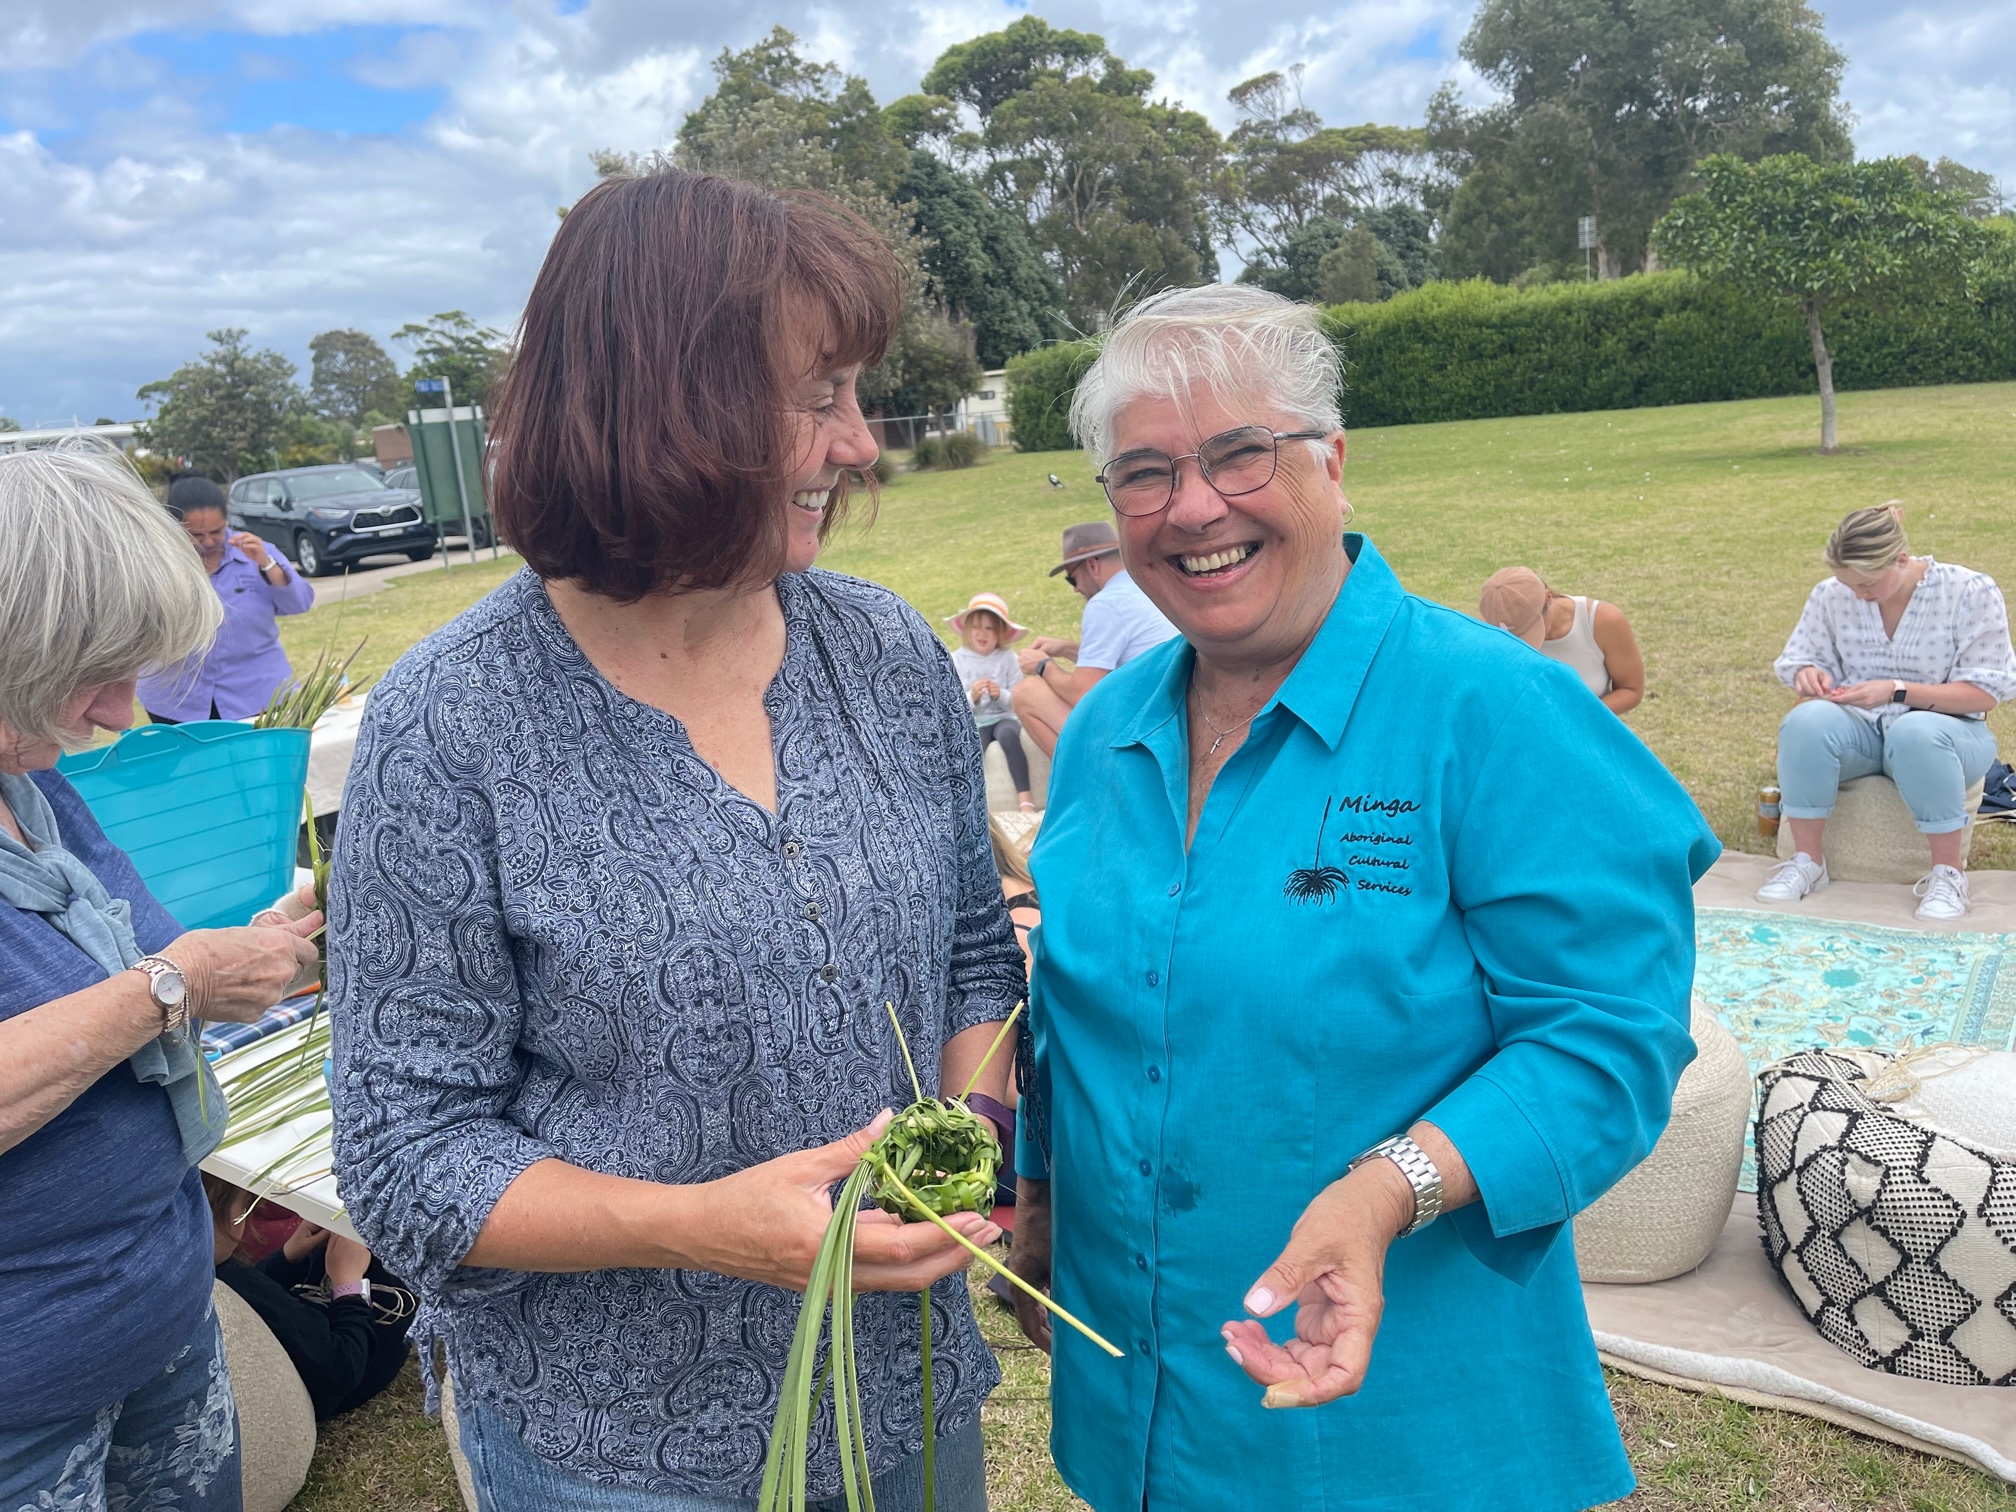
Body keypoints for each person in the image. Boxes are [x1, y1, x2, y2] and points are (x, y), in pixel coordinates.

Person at [326, 169, 1020, 1512]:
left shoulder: (883, 652)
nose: (861, 443)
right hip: (623, 1454)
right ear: (662, 402)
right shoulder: (450, 725)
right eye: (818, 398)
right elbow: (407, 1154)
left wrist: (975, 1125)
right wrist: (696, 1229)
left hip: (907, 1401)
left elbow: (974, 949)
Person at [1007, 285, 1718, 1512]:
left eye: (1240, 454)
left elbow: (1607, 1041)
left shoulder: (1494, 710)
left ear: (1332, 460)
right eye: (1144, 473)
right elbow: (1073, 1006)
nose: (1193, 509)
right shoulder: (1106, 730)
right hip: (1141, 1387)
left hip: (1404, 1411)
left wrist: (1387, 1188)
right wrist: (1042, 1197)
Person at [0, 444, 323, 1512]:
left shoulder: (34, 790)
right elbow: (151, 984)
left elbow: (138, 962)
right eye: (93, 670)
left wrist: (263, 955)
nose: (118, 713)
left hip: (158, 1308)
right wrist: (173, 985)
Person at [1758, 503, 2016, 920]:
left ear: (1901, 559)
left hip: (1951, 735)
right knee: (1804, 722)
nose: (1858, 594)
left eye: (1867, 584)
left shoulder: (1970, 591)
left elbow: (1984, 694)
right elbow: (1806, 658)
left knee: (1916, 733)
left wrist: (1897, 691)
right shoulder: (1831, 594)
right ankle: (1807, 863)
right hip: (1860, 733)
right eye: (1849, 584)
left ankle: (1948, 875)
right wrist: (1808, 674)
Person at [203, 1177, 415, 1421]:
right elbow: (343, 1368)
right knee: (392, 1267)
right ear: (214, 1214)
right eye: (245, 1207)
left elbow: (252, 1294)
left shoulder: (210, 1274)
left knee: (322, 1257)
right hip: (343, 1372)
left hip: (300, 1354)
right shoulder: (235, 1282)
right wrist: (349, 1284)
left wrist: (286, 1258)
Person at [137, 474, 316, 724]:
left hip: (258, 694)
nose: (209, 541)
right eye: (197, 535)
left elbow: (300, 603)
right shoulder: (153, 563)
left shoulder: (256, 553)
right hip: (176, 701)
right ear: (173, 526)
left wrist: (266, 563)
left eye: (217, 531)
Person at [1011, 521, 1178, 756]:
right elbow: (1127, 659)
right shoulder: (1146, 585)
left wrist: (1041, 665)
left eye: (1072, 579)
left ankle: (1079, 784)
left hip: (1141, 733)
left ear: (1092, 565)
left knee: (1026, 693)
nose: (1075, 589)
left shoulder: (1106, 603)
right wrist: (1068, 649)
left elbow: (1083, 693)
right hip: (1171, 717)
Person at [1478, 566, 1646, 714]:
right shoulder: (1492, 631)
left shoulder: (1602, 621)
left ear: (1549, 597)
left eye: (1529, 630)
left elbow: (1631, 689)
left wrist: (1576, 718)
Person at [949, 591, 1036, 811]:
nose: (982, 633)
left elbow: (1019, 699)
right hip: (976, 721)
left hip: (1004, 716)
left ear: (1001, 634)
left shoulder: (1008, 659)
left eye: (990, 628)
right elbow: (954, 704)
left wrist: (1001, 695)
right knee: (973, 744)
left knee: (1008, 735)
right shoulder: (958, 660)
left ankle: (1025, 797)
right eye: (977, 627)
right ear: (966, 630)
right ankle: (970, 802)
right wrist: (973, 697)